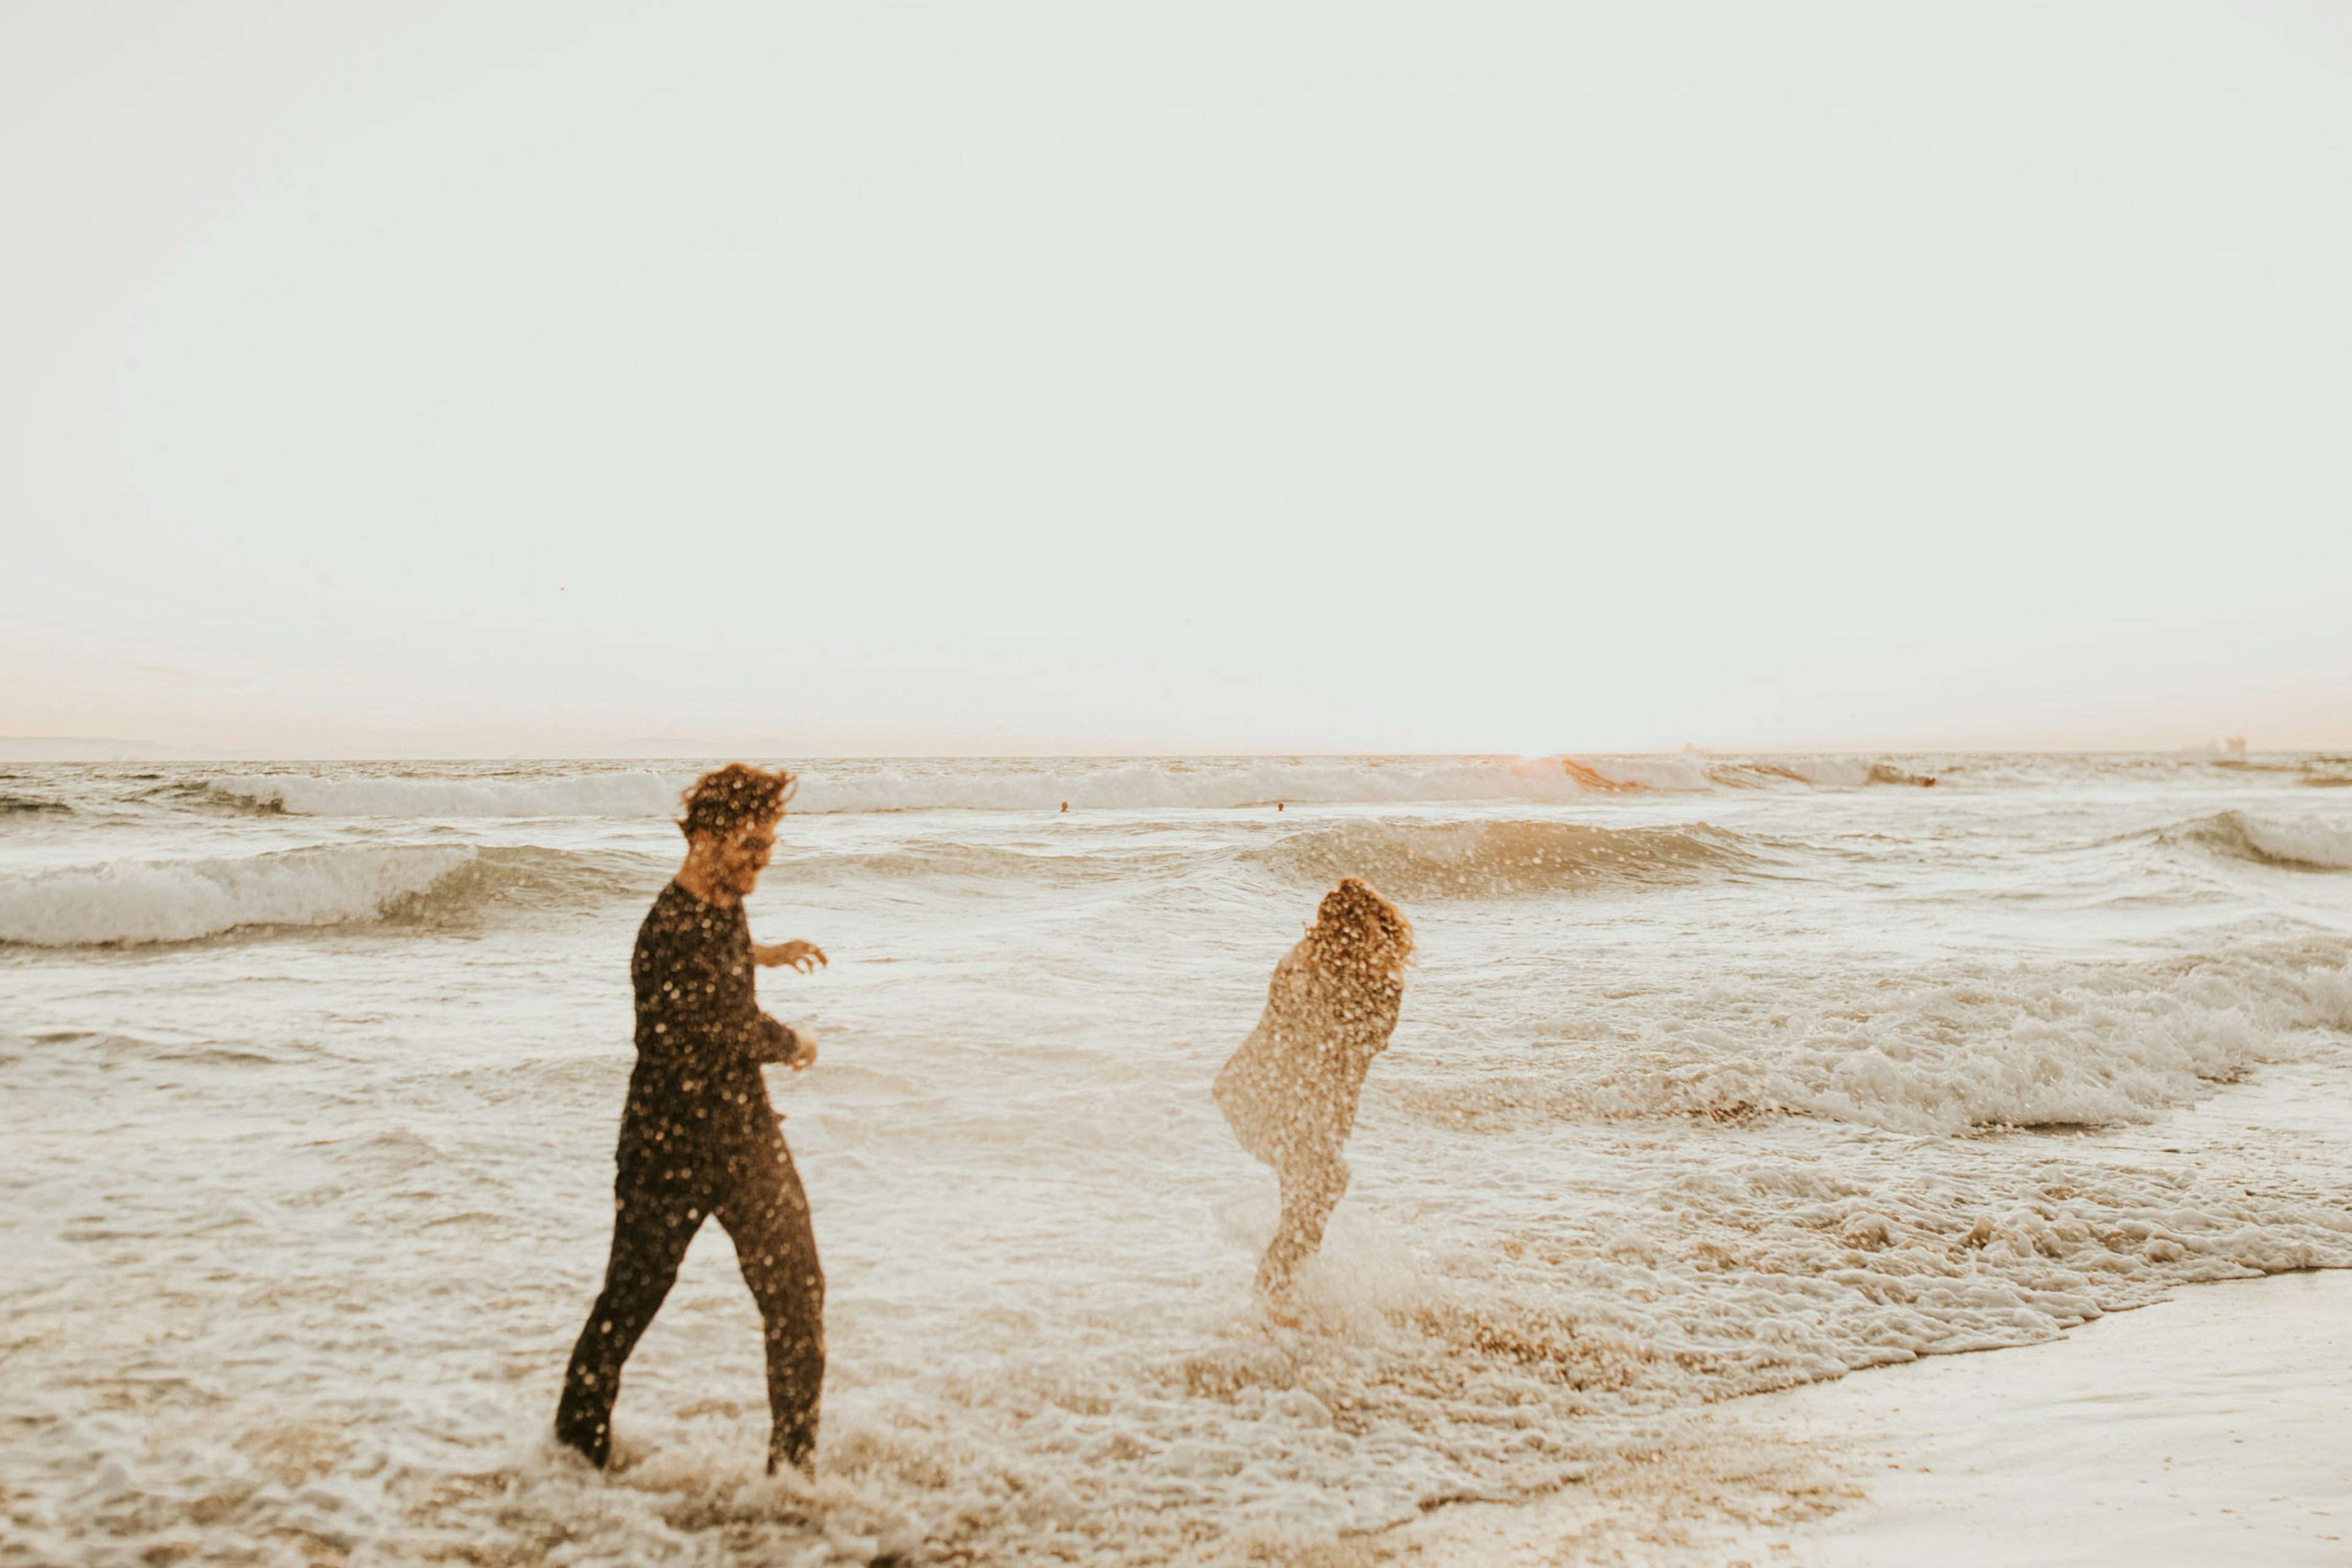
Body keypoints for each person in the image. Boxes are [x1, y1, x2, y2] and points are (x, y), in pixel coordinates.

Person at [555, 764, 831, 1476]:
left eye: (769, 844)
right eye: (750, 844)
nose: (762, 860)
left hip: (742, 1138)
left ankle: (792, 1477)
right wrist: (796, 1043)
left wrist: (764, 954)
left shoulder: (720, 899)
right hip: (667, 1149)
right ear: (705, 837)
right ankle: (570, 1465)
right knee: (629, 1302)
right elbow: (729, 1028)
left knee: (797, 1294)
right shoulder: (670, 927)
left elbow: (721, 959)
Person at [1213, 877, 1414, 1302]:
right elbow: (1296, 1048)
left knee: (1310, 1200)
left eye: (1382, 930)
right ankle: (1275, 1298)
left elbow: (1353, 1052)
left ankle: (1284, 1298)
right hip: (1264, 1095)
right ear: (1348, 934)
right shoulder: (1306, 969)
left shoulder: (1370, 982)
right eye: (1370, 932)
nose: (1381, 941)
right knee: (1322, 1184)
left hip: (1304, 1103)